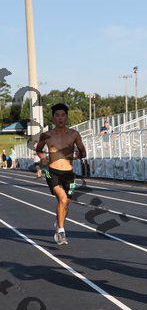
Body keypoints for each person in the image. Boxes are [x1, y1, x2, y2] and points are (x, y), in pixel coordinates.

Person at [36, 103, 86, 245]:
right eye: (57, 115)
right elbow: (39, 150)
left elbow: (83, 152)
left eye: (63, 115)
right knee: (63, 199)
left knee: (66, 204)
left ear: (67, 117)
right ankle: (61, 231)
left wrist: (77, 155)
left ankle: (59, 221)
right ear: (53, 118)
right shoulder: (46, 135)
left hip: (69, 174)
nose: (60, 118)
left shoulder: (74, 134)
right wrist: (44, 158)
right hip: (52, 172)